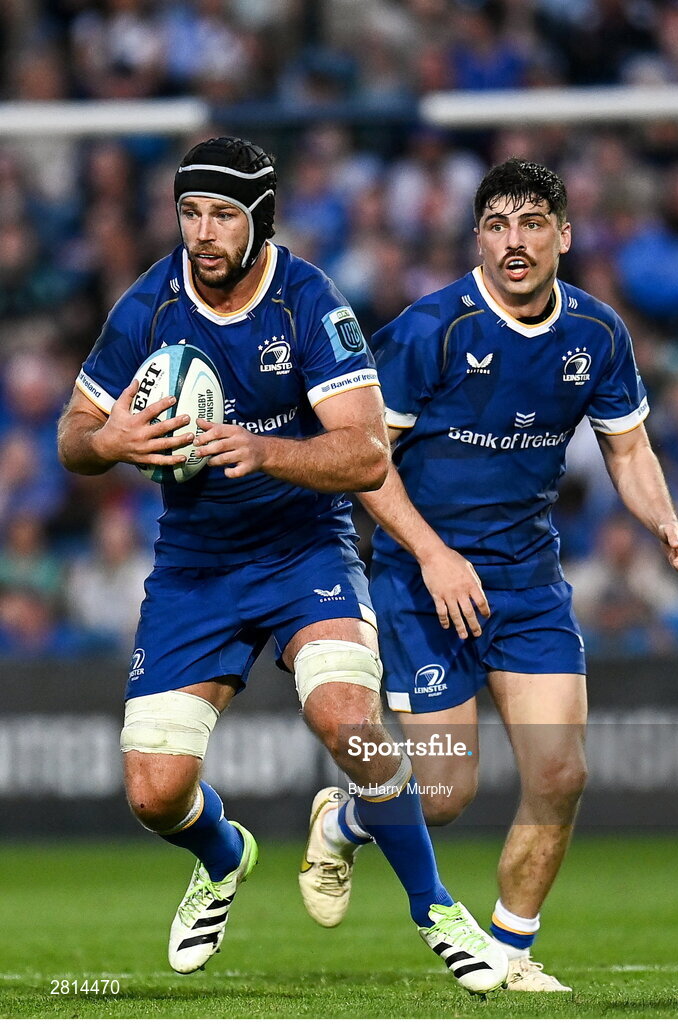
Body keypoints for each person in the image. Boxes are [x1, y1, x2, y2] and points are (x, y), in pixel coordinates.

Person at [57, 136, 508, 993]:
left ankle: (435, 909)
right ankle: (225, 855)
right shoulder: (148, 305)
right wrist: (106, 440)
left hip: (304, 549)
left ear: (260, 220)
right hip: (194, 565)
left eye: (222, 214)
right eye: (190, 212)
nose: (202, 232)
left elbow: (367, 454)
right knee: (155, 794)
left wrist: (265, 454)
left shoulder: (308, 304)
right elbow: (72, 438)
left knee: (346, 719)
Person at [298, 157, 678, 992]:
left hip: (526, 585)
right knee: (443, 794)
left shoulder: (596, 334)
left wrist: (662, 519)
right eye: (496, 226)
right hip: (423, 582)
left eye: (530, 225)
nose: (513, 243)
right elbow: (366, 463)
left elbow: (626, 447)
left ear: (563, 234)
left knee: (560, 774)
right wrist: (433, 554)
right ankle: (344, 818)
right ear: (476, 237)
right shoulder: (430, 328)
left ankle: (510, 952)